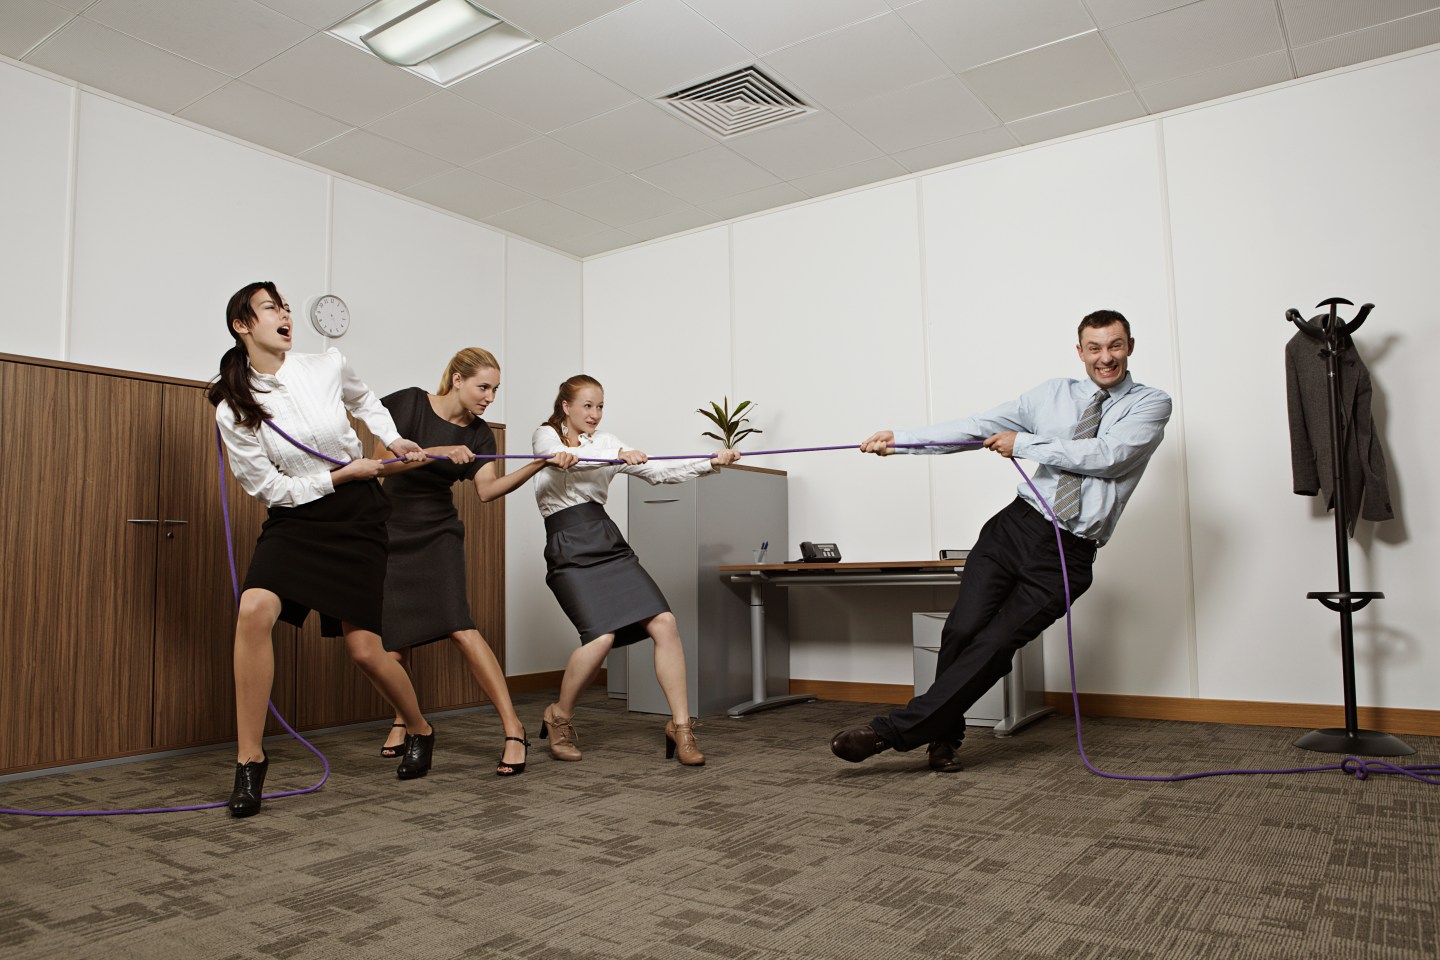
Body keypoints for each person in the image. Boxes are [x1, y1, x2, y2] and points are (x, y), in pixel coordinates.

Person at [831, 309, 1171, 772]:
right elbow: (979, 426)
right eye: (1094, 348)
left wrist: (1025, 444)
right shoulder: (1052, 394)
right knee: (962, 630)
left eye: (1114, 345)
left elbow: (1109, 456)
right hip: (1016, 527)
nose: (1105, 357)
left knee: (995, 644)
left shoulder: (1151, 403)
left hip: (1068, 553)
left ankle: (890, 732)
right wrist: (904, 440)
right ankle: (943, 737)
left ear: (1130, 346)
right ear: (1080, 352)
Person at [209, 281, 437, 818]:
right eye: (271, 308)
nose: (285, 314)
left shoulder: (326, 364)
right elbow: (267, 487)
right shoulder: (233, 405)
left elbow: (364, 400)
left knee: (365, 650)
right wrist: (339, 476)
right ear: (243, 325)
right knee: (253, 609)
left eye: (286, 307)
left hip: (357, 515)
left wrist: (392, 439)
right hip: (297, 514)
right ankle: (249, 760)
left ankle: (420, 728)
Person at [371, 348, 574, 776]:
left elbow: (487, 491)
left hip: (437, 532)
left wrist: (539, 463)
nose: (489, 397)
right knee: (393, 638)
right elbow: (379, 466)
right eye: (483, 387)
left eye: (495, 390)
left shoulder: (481, 436)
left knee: (461, 628)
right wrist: (437, 451)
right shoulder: (407, 403)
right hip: (388, 529)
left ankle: (513, 729)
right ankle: (404, 721)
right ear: (457, 379)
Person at [531, 375, 740, 766]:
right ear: (566, 406)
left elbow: (659, 471)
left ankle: (680, 727)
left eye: (600, 406)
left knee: (664, 622)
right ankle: (558, 716)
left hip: (605, 540)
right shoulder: (546, 436)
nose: (594, 414)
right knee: (600, 638)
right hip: (568, 546)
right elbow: (555, 456)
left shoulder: (609, 442)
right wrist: (614, 457)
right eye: (587, 405)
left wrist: (710, 462)